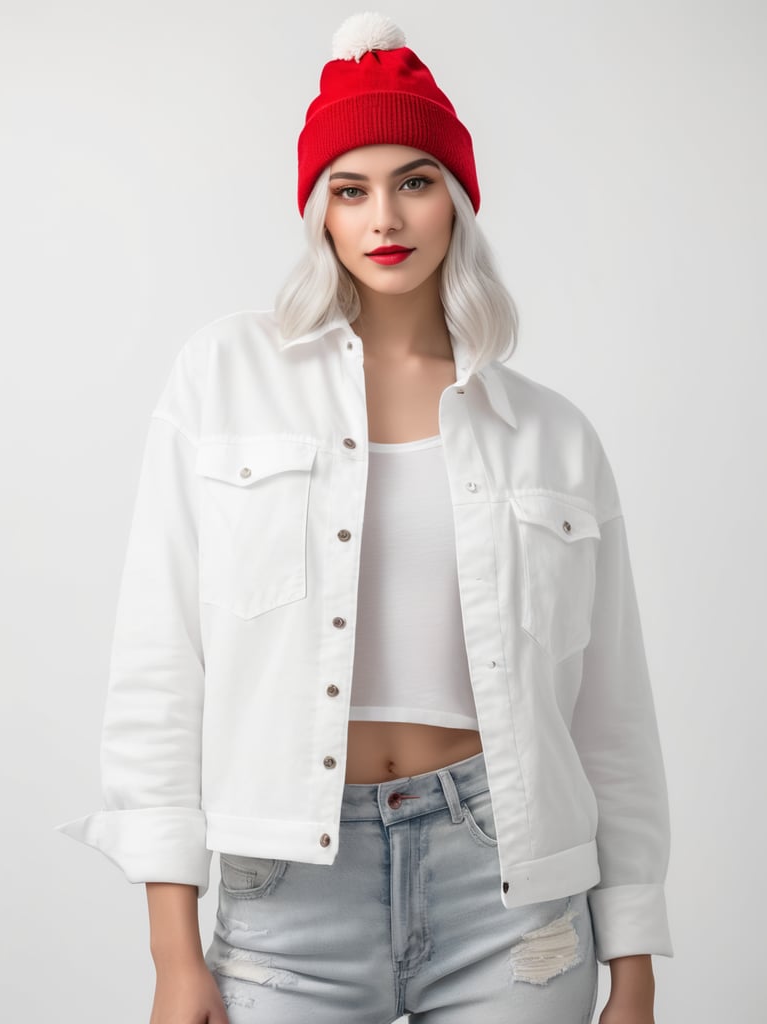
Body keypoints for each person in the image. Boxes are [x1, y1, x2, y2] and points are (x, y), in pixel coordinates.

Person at [56, 12, 672, 1024]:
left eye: (415, 180)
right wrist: (174, 949)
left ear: (459, 200)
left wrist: (636, 963)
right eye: (352, 188)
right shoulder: (225, 378)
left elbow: (611, 720)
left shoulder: (553, 436)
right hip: (286, 897)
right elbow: (160, 660)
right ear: (321, 213)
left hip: (513, 899)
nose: (385, 216)